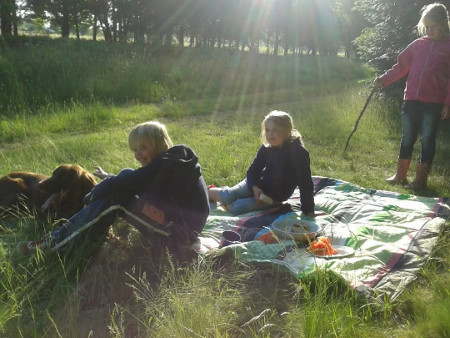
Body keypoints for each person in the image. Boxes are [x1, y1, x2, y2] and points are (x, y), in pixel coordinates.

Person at [17, 121, 209, 254]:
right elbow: (133, 180)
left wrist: (90, 198)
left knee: (117, 199)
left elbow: (125, 182)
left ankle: (52, 244)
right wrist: (109, 179)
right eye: (134, 149)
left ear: (160, 144)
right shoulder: (174, 160)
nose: (138, 154)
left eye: (143, 147)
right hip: (177, 221)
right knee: (122, 179)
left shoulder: (167, 165)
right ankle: (75, 235)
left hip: (179, 234)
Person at [374, 3, 450, 190]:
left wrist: (447, 103)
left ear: (444, 25)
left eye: (434, 26)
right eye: (427, 27)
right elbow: (400, 67)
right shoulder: (417, 45)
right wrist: (384, 79)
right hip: (411, 101)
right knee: (407, 138)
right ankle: (400, 175)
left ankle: (420, 180)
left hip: (433, 104)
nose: (430, 30)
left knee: (427, 140)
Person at [208, 110, 315, 216]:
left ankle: (231, 197)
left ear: (287, 131)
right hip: (256, 185)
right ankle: (206, 191)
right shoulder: (267, 147)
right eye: (267, 130)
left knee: (237, 208)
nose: (270, 134)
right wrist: (254, 188)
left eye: (275, 130)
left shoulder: (299, 153)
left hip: (272, 198)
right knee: (228, 196)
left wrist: (308, 211)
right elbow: (253, 170)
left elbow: (306, 184)